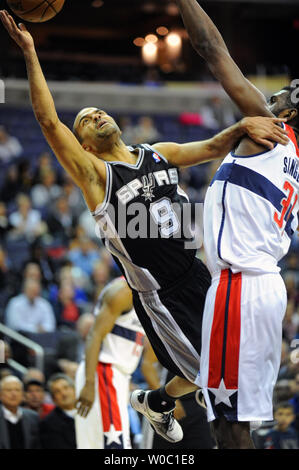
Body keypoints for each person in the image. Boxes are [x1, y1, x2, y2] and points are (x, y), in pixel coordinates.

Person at [0, 8, 289, 444]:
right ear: (83, 144)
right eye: (85, 119)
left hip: (199, 272)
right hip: (161, 292)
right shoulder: (96, 176)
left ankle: (154, 401)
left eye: (97, 110)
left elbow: (211, 145)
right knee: (210, 376)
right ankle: (159, 403)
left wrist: (244, 124)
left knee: (225, 366)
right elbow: (47, 121)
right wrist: (30, 52)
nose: (95, 114)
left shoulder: (157, 151)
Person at [176, 0, 299, 448]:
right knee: (226, 422)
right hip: (258, 285)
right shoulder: (289, 154)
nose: (272, 96)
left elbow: (211, 49)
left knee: (231, 428)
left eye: (281, 95)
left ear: (286, 116)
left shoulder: (271, 130)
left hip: (241, 287)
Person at [75, 277, 145, 449]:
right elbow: (94, 335)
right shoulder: (123, 291)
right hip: (103, 372)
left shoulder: (146, 291)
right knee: (115, 447)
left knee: (97, 445)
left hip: (116, 376)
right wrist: (90, 382)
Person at [0, 375, 40, 449]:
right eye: (9, 390)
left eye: (17, 390)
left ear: (22, 395)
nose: (14, 394)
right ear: (1, 394)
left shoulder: (33, 417)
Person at [39, 373, 77, 449]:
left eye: (66, 388)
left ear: (74, 389)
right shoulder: (48, 424)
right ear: (53, 399)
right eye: (57, 391)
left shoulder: (91, 413)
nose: (63, 393)